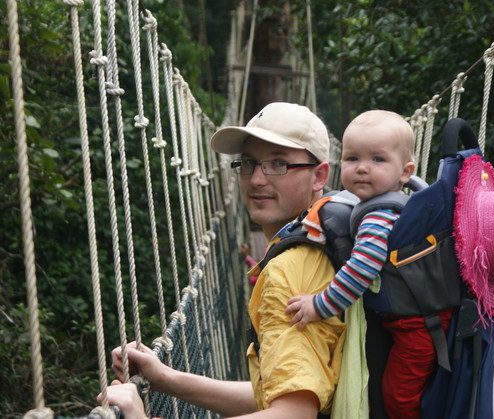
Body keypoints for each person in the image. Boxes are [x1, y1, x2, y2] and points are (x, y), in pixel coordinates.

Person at [99, 102, 345, 419]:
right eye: (248, 163)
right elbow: (279, 393)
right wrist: (166, 379)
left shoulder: (290, 268)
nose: (256, 179)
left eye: (278, 164)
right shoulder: (322, 242)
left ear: (319, 175)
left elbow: (294, 413)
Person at [284, 110, 451, 419]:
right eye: (351, 158)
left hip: (417, 328)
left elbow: (363, 268)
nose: (361, 168)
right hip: (416, 321)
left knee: (398, 398)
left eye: (377, 160)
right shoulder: (404, 196)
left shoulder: (378, 215)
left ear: (405, 171)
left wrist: (319, 305)